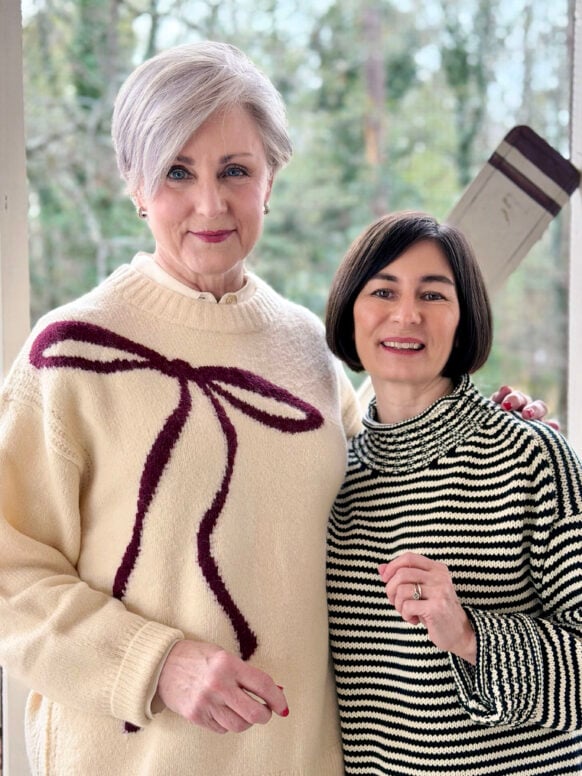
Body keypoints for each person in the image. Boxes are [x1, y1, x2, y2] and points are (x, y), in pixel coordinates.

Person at [0, 43, 547, 776]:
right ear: (134, 183)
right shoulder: (68, 356)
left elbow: (376, 495)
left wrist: (485, 424)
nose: (210, 203)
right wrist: (154, 663)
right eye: (176, 172)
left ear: (271, 180)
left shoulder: (310, 351)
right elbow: (10, 574)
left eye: (235, 170)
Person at [325, 210, 582, 775]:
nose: (407, 314)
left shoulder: (532, 457)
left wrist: (470, 635)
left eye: (434, 295)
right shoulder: (333, 478)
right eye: (383, 290)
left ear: (464, 321)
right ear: (351, 313)